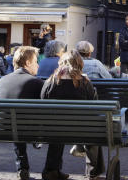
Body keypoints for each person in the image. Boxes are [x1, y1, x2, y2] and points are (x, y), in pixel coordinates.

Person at [40, 51, 104, 179]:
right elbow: (94, 106)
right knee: (94, 132)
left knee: (57, 130)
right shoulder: (85, 82)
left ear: (61, 63)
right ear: (79, 64)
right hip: (81, 130)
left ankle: (51, 170)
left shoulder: (51, 81)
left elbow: (42, 101)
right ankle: (93, 171)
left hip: (54, 128)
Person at [0, 46, 44, 180]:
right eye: (36, 61)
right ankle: (52, 168)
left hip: (5, 128)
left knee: (15, 123)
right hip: (29, 129)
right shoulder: (36, 82)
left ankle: (22, 167)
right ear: (28, 63)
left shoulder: (2, 80)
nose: (38, 66)